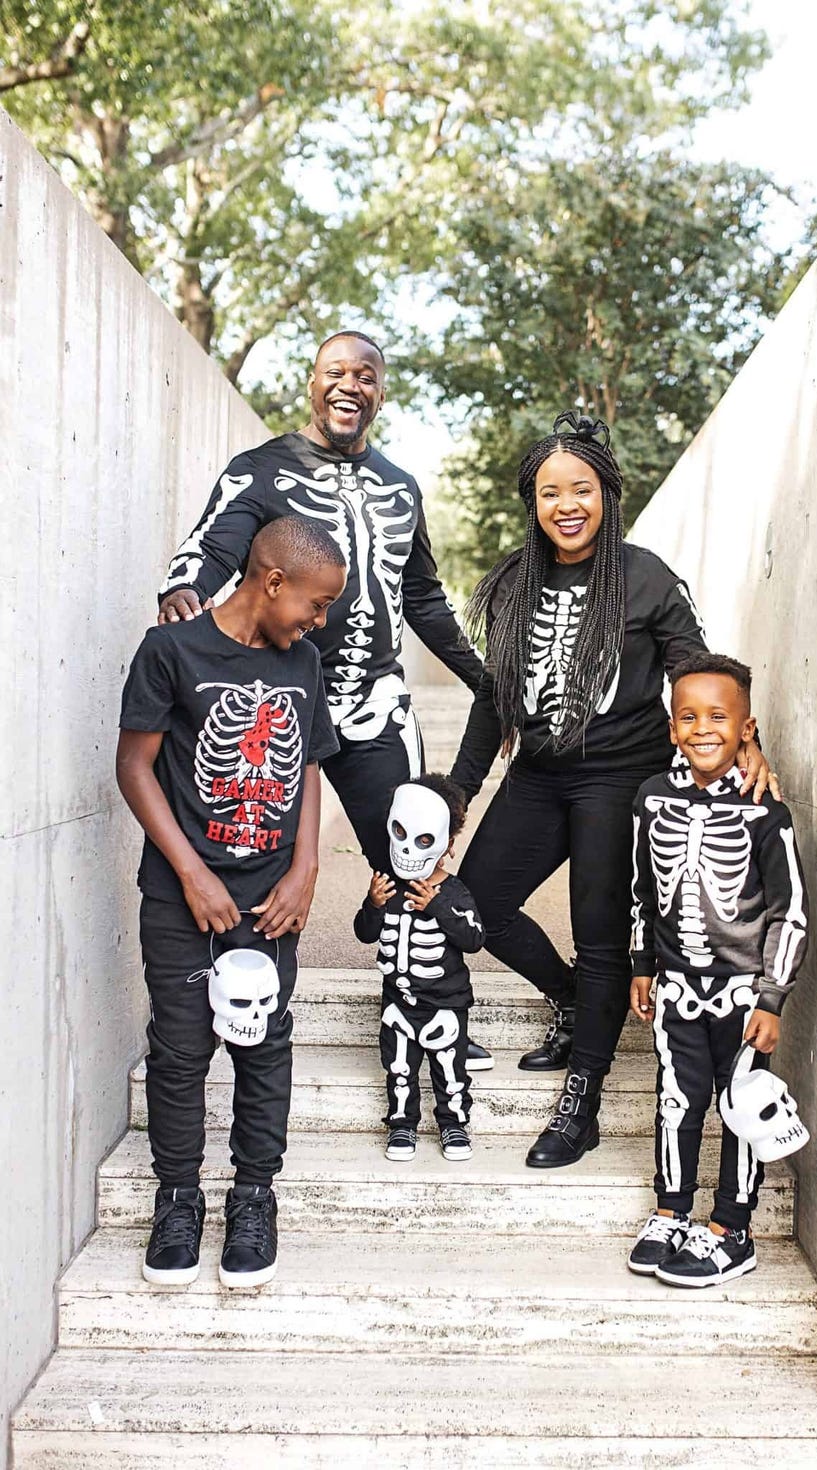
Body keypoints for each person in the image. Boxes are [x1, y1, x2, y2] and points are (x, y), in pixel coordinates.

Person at [156, 330, 492, 1071]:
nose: (351, 385)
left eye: (366, 374)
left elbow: (424, 598)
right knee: (259, 864)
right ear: (312, 383)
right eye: (336, 372)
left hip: (377, 699)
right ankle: (234, 1016)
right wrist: (185, 588)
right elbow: (214, 546)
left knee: (414, 851)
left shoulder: (403, 487)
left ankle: (428, 1009)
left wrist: (482, 676)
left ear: (380, 389)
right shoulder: (262, 469)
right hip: (282, 693)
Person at [450, 411, 776, 1169]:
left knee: (602, 935)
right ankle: (572, 999)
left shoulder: (646, 576)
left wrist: (745, 744)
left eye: (582, 490)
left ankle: (584, 1096)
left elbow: (697, 672)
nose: (567, 505)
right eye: (550, 493)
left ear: (608, 494)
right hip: (534, 775)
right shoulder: (512, 584)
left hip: (619, 779)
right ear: (532, 502)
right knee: (475, 906)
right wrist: (457, 793)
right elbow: (493, 701)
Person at [116, 516, 345, 1288]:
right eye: (314, 606)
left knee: (264, 1042)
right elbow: (135, 767)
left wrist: (307, 866)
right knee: (180, 1051)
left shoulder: (304, 662)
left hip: (271, 893)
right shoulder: (170, 651)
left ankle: (254, 1196)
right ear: (272, 582)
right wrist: (189, 871)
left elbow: (309, 765)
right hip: (185, 893)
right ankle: (178, 1197)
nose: (318, 622)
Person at [627, 651, 808, 1286]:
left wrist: (772, 998)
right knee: (677, 1101)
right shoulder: (651, 800)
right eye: (689, 717)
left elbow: (791, 913)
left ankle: (733, 1228)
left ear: (746, 728)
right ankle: (672, 1209)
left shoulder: (765, 812)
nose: (704, 729)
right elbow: (642, 890)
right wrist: (641, 964)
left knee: (739, 1105)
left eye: (719, 717)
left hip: (741, 994)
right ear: (673, 728)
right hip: (677, 988)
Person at [353, 775, 485, 1162]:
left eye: (426, 841)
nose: (411, 850)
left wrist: (438, 907)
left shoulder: (455, 891)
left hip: (445, 1006)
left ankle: (454, 1124)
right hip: (398, 1005)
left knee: (450, 1073)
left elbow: (474, 937)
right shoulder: (389, 886)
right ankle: (402, 1126)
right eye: (402, 834)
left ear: (447, 845)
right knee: (398, 1071)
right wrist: (373, 905)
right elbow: (365, 933)